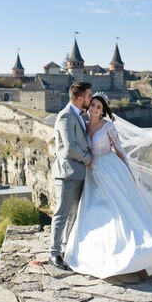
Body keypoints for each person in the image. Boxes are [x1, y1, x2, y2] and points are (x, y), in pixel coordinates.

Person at [64, 92, 152, 278]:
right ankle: (99, 255)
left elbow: (119, 150)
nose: (95, 109)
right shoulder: (83, 125)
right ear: (88, 106)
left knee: (121, 209)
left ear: (103, 110)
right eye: (93, 105)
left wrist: (128, 172)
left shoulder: (108, 126)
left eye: (99, 107)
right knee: (94, 212)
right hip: (91, 172)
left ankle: (138, 255)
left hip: (110, 169)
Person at [49, 82, 93, 270]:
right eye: (89, 96)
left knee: (74, 214)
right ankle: (54, 253)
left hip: (79, 173)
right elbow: (70, 147)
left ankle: (67, 249)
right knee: (61, 214)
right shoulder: (66, 116)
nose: (90, 100)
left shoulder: (79, 116)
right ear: (81, 98)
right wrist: (88, 159)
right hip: (67, 173)